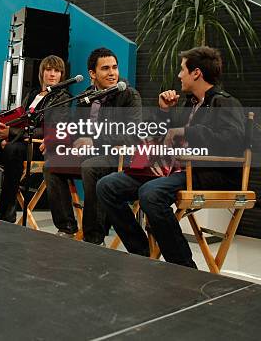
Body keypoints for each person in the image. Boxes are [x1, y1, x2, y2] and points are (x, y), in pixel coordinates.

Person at [97, 46, 245, 268]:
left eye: (182, 69)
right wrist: (164, 111)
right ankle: (142, 251)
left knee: (151, 193)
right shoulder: (190, 104)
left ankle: (183, 267)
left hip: (210, 173)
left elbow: (233, 140)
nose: (179, 75)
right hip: (177, 171)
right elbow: (162, 137)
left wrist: (187, 132)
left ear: (196, 73)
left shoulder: (224, 102)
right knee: (107, 186)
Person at [44, 48, 142, 245]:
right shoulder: (85, 97)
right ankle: (67, 226)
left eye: (114, 67)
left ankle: (94, 238)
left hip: (118, 156)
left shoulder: (129, 95)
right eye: (105, 68)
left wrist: (94, 140)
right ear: (92, 74)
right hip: (89, 153)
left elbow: (132, 134)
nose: (112, 73)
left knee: (91, 167)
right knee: (51, 165)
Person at [0, 55, 70, 223]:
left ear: (62, 75)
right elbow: (21, 120)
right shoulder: (33, 94)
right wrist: (8, 131)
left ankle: (6, 210)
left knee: (12, 150)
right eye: (49, 70)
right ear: (42, 73)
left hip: (38, 147)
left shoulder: (63, 98)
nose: (53, 74)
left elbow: (49, 130)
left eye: (57, 71)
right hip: (17, 141)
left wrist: (12, 135)